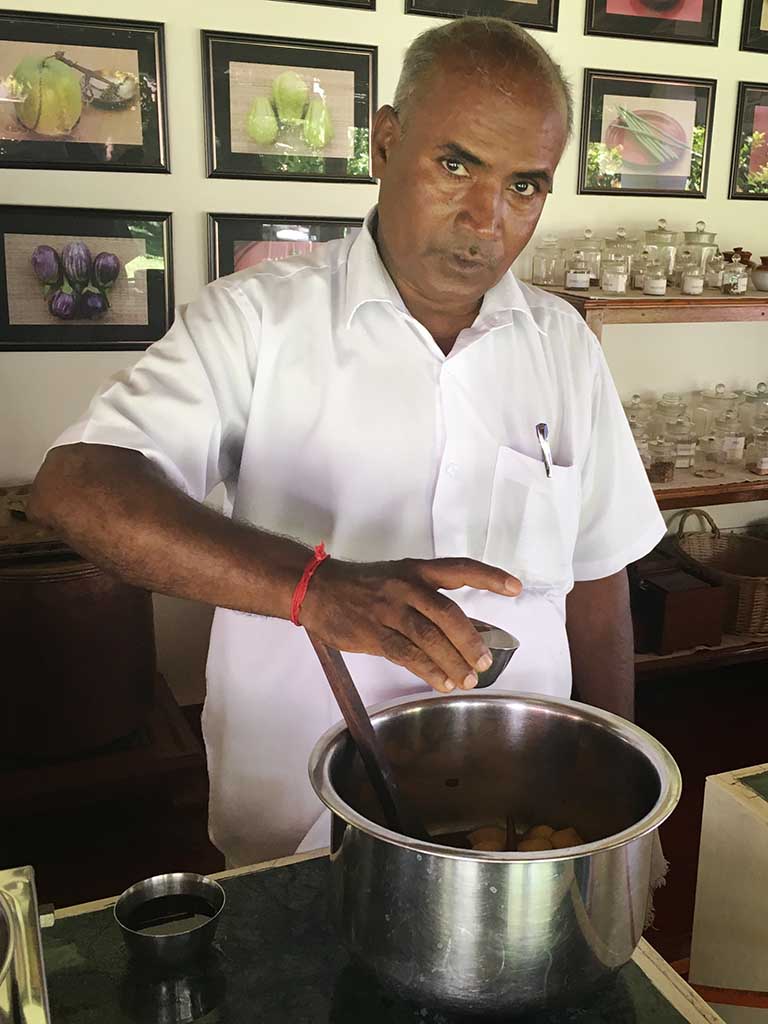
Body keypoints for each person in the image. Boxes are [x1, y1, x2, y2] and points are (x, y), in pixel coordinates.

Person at [29, 17, 665, 867]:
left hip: (522, 810)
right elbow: (76, 488)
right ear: (387, 143)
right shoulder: (257, 318)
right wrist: (314, 590)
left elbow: (598, 576)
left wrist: (615, 800)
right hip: (295, 813)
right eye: (456, 164)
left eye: (525, 186)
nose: (486, 219)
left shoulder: (565, 345)